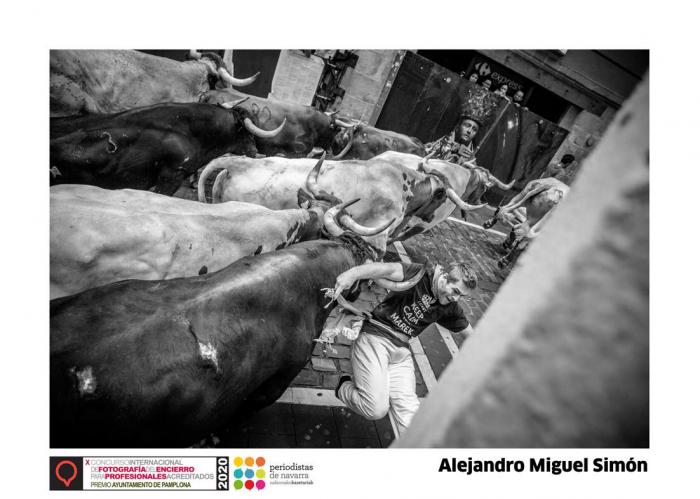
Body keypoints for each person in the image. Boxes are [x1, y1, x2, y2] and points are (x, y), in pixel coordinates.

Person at [332, 260, 477, 436]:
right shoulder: (419, 274)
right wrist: (352, 274)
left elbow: (473, 335)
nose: (456, 298)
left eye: (462, 296)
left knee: (410, 419)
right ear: (445, 277)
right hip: (375, 337)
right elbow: (384, 269)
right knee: (375, 409)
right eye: (455, 291)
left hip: (401, 352)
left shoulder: (449, 307)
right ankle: (342, 387)